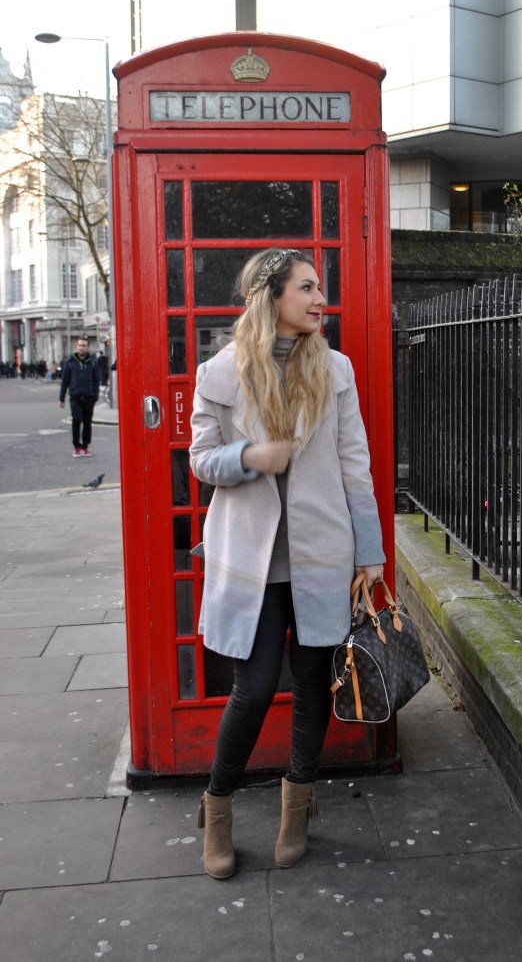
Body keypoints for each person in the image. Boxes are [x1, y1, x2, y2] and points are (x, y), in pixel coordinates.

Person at [189, 247, 385, 880]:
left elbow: (356, 465)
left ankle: (296, 809)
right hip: (251, 560)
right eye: (306, 287)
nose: (320, 298)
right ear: (270, 296)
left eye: (319, 286)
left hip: (321, 553)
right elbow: (201, 460)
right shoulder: (219, 373)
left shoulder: (336, 369)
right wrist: (250, 457)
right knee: (251, 690)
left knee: (310, 683)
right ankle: (217, 810)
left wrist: (372, 552)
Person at [59, 335, 100, 457]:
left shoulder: (93, 363)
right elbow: (65, 381)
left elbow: (96, 381)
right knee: (76, 420)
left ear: (88, 348)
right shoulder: (70, 362)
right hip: (75, 397)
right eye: (79, 345)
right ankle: (76, 446)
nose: (81, 347)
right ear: (77, 347)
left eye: (84, 346)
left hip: (89, 397)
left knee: (87, 422)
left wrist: (95, 396)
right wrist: (61, 398)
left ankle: (85, 446)